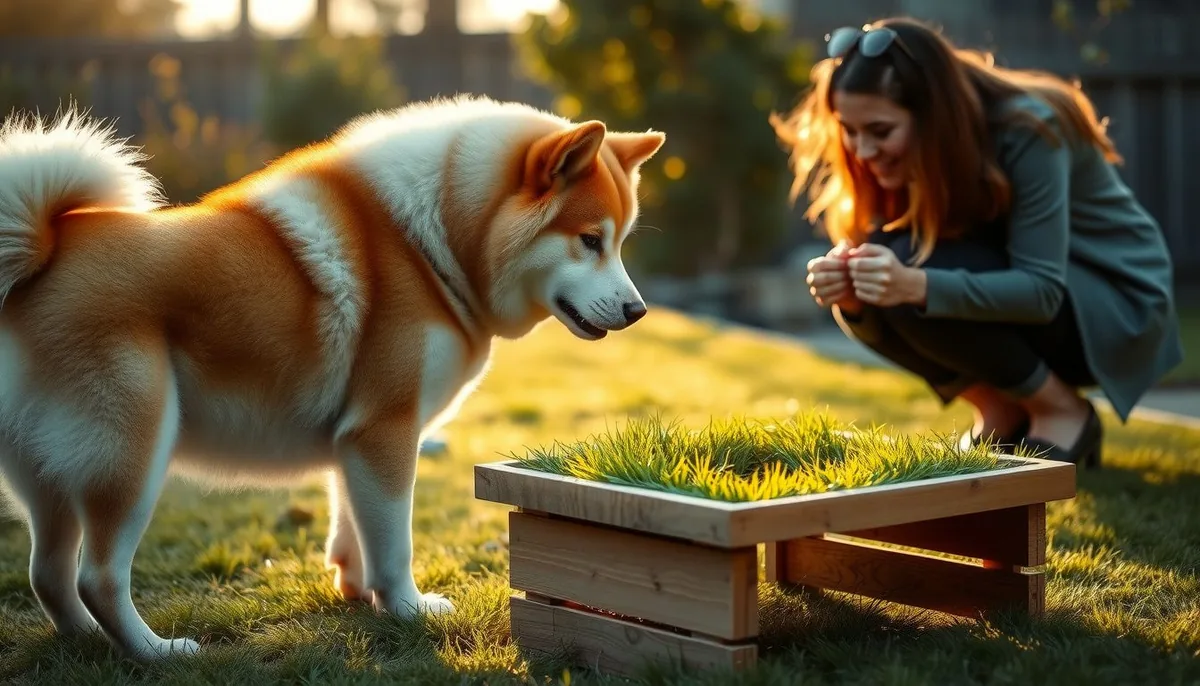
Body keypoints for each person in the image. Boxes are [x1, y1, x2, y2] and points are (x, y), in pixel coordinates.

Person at [770, 17, 1184, 468]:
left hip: (1113, 307)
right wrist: (852, 300)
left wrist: (913, 284)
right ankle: (1000, 409)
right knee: (884, 270)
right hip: (1038, 301)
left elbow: (1041, 292)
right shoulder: (912, 157)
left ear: (933, 116)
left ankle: (1062, 412)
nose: (863, 151)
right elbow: (898, 285)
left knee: (910, 269)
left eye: (881, 131)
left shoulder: (1030, 130)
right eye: (849, 131)